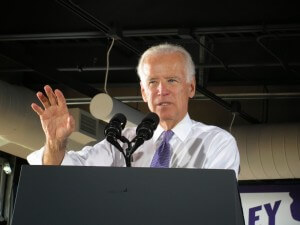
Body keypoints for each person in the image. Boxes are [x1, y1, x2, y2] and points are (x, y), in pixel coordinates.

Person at [27, 43, 240, 176]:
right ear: (143, 92)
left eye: (172, 80)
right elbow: (67, 173)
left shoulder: (216, 143)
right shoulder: (121, 143)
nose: (161, 90)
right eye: (153, 82)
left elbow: (214, 205)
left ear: (191, 87)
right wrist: (55, 143)